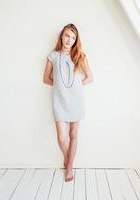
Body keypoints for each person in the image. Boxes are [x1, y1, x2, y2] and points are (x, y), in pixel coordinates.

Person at [43, 23, 93, 182]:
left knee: (73, 134)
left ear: (75, 40)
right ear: (61, 36)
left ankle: (68, 168)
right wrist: (61, 88)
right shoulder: (53, 56)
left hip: (76, 99)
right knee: (61, 138)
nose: (69, 40)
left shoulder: (80, 56)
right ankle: (69, 161)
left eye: (72, 37)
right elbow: (46, 79)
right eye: (67, 36)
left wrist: (74, 87)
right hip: (59, 100)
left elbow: (90, 78)